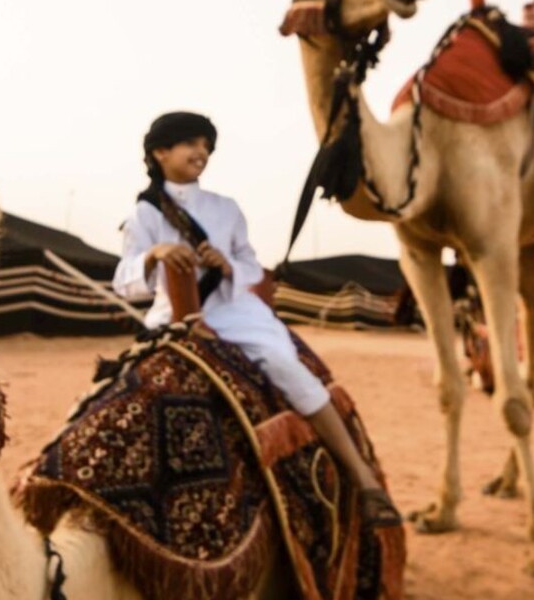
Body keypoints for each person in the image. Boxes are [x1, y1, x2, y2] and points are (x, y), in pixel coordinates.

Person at [113, 111, 401, 527]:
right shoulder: (144, 215)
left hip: (234, 314)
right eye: (190, 143)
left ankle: (364, 479)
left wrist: (225, 264)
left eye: (206, 145)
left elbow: (252, 267)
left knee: (285, 366)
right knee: (122, 385)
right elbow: (125, 282)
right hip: (170, 315)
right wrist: (154, 255)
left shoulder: (225, 209)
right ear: (160, 152)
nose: (202, 152)